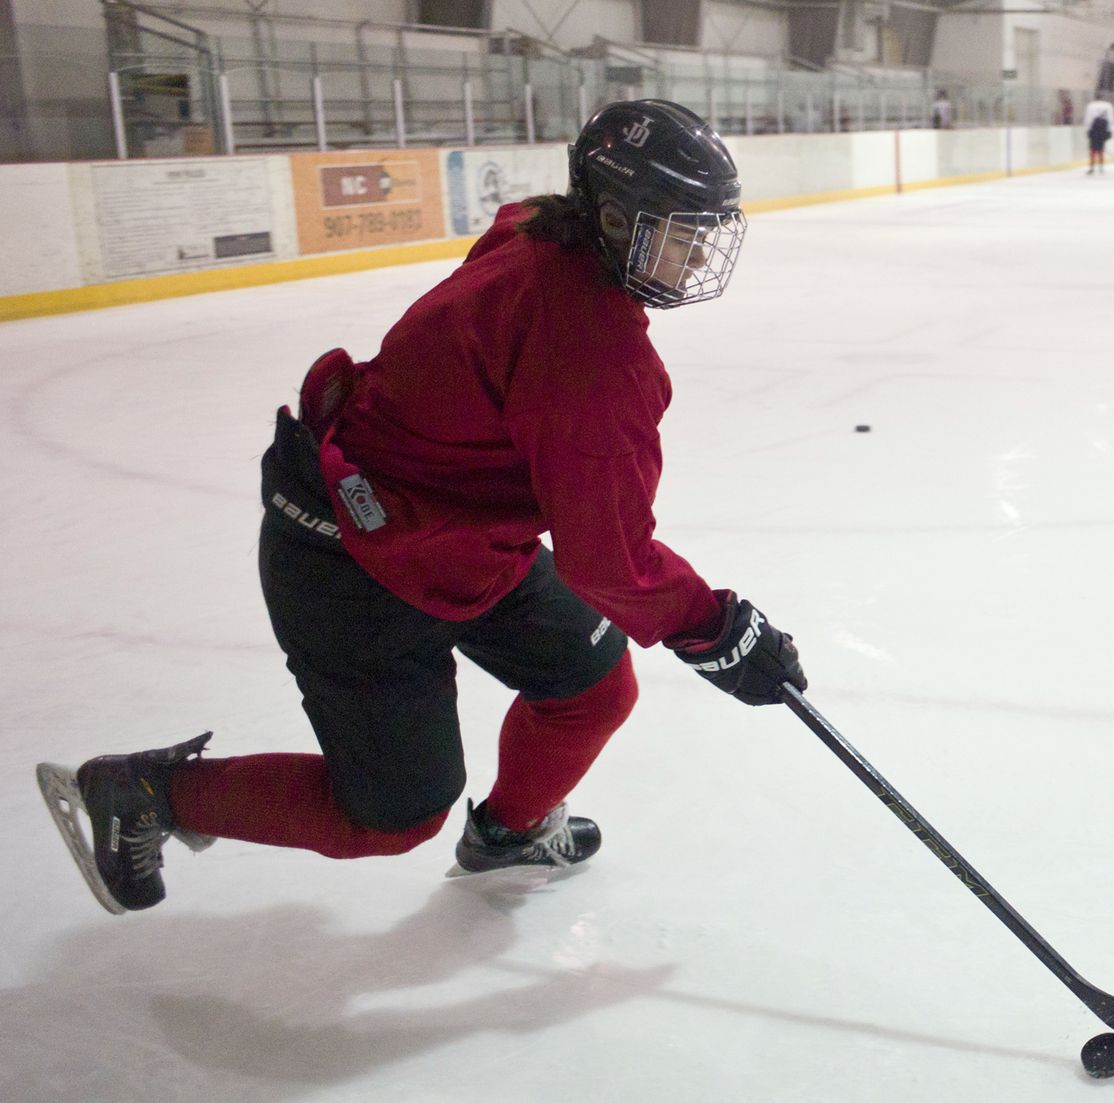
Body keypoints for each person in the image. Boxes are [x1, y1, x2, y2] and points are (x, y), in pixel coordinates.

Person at [36, 100, 809, 916]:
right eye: (682, 230)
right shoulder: (594, 361)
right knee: (391, 818)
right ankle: (147, 794)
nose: (698, 256)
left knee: (592, 684)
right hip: (347, 554)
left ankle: (509, 833)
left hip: (446, 536)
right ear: (614, 217)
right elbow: (608, 560)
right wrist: (714, 628)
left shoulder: (541, 230)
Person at [1084, 91, 1114, 174]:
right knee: (1101, 149)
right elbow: (1111, 119)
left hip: (1093, 130)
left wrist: (1087, 130)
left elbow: (1088, 119)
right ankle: (1101, 167)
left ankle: (1091, 167)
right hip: (1103, 130)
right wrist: (1110, 130)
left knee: (1092, 149)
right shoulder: (1108, 106)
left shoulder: (1090, 106)